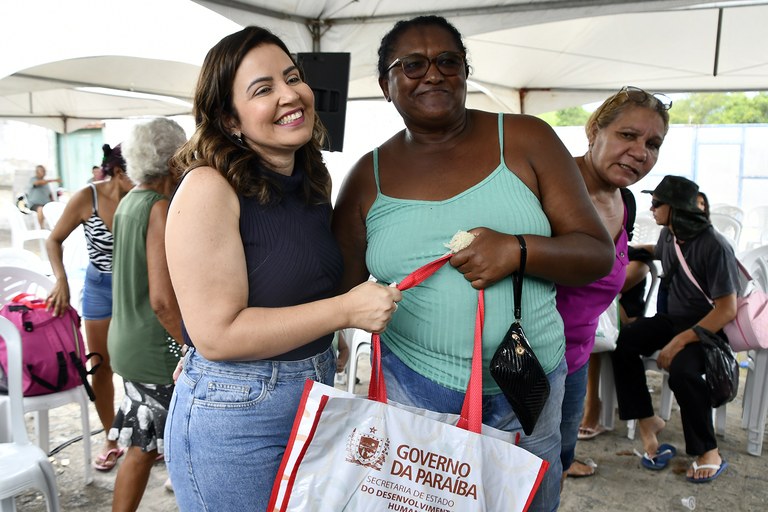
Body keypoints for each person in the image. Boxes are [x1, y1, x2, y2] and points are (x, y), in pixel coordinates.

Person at [331, 15, 614, 512]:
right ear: (385, 85)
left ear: (465, 71)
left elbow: (595, 254)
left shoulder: (527, 140)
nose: (433, 74)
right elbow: (338, 289)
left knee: (526, 500)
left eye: (448, 61)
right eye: (413, 65)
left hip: (527, 381)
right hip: (415, 384)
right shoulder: (366, 176)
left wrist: (518, 250)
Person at [163, 26, 401, 511]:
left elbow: (296, 282)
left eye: (292, 77)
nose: (290, 95)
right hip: (237, 413)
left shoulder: (311, 177)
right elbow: (218, 335)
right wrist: (343, 313)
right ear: (230, 119)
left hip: (312, 391)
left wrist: (323, 337)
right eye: (263, 89)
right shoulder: (208, 187)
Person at [556, 86, 671, 482]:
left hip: (575, 359)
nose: (641, 152)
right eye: (628, 135)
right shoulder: (549, 186)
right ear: (593, 131)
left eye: (653, 143)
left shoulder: (627, 202)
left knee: (556, 463)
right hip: (520, 363)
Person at [611, 175, 738, 483]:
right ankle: (648, 421)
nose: (651, 208)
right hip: (672, 321)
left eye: (657, 203)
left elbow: (727, 309)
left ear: (677, 208)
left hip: (707, 329)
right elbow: (656, 250)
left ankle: (708, 450)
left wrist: (680, 341)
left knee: (682, 370)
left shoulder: (715, 245)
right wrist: (620, 249)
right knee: (622, 342)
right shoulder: (670, 235)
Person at [106, 118, 187, 512]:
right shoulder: (157, 207)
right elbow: (162, 299)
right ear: (173, 160)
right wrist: (192, 343)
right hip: (154, 345)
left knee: (148, 440)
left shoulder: (129, 202)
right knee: (142, 445)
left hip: (126, 336)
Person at [45, 144, 134, 472]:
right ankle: (111, 438)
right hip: (100, 288)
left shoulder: (147, 197)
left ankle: (148, 437)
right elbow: (53, 240)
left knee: (140, 368)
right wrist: (61, 280)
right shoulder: (87, 197)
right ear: (120, 173)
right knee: (101, 366)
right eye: (135, 176)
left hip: (137, 289)